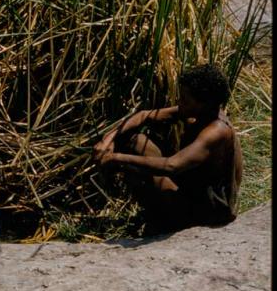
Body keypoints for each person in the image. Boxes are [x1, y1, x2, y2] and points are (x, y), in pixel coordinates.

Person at [93, 64, 243, 234]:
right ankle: (162, 215)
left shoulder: (216, 131)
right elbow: (144, 116)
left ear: (204, 103)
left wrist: (116, 158)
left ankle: (161, 222)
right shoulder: (200, 111)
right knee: (136, 142)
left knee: (141, 169)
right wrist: (108, 140)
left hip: (209, 211)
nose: (180, 103)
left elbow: (172, 166)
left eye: (185, 100)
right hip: (192, 190)